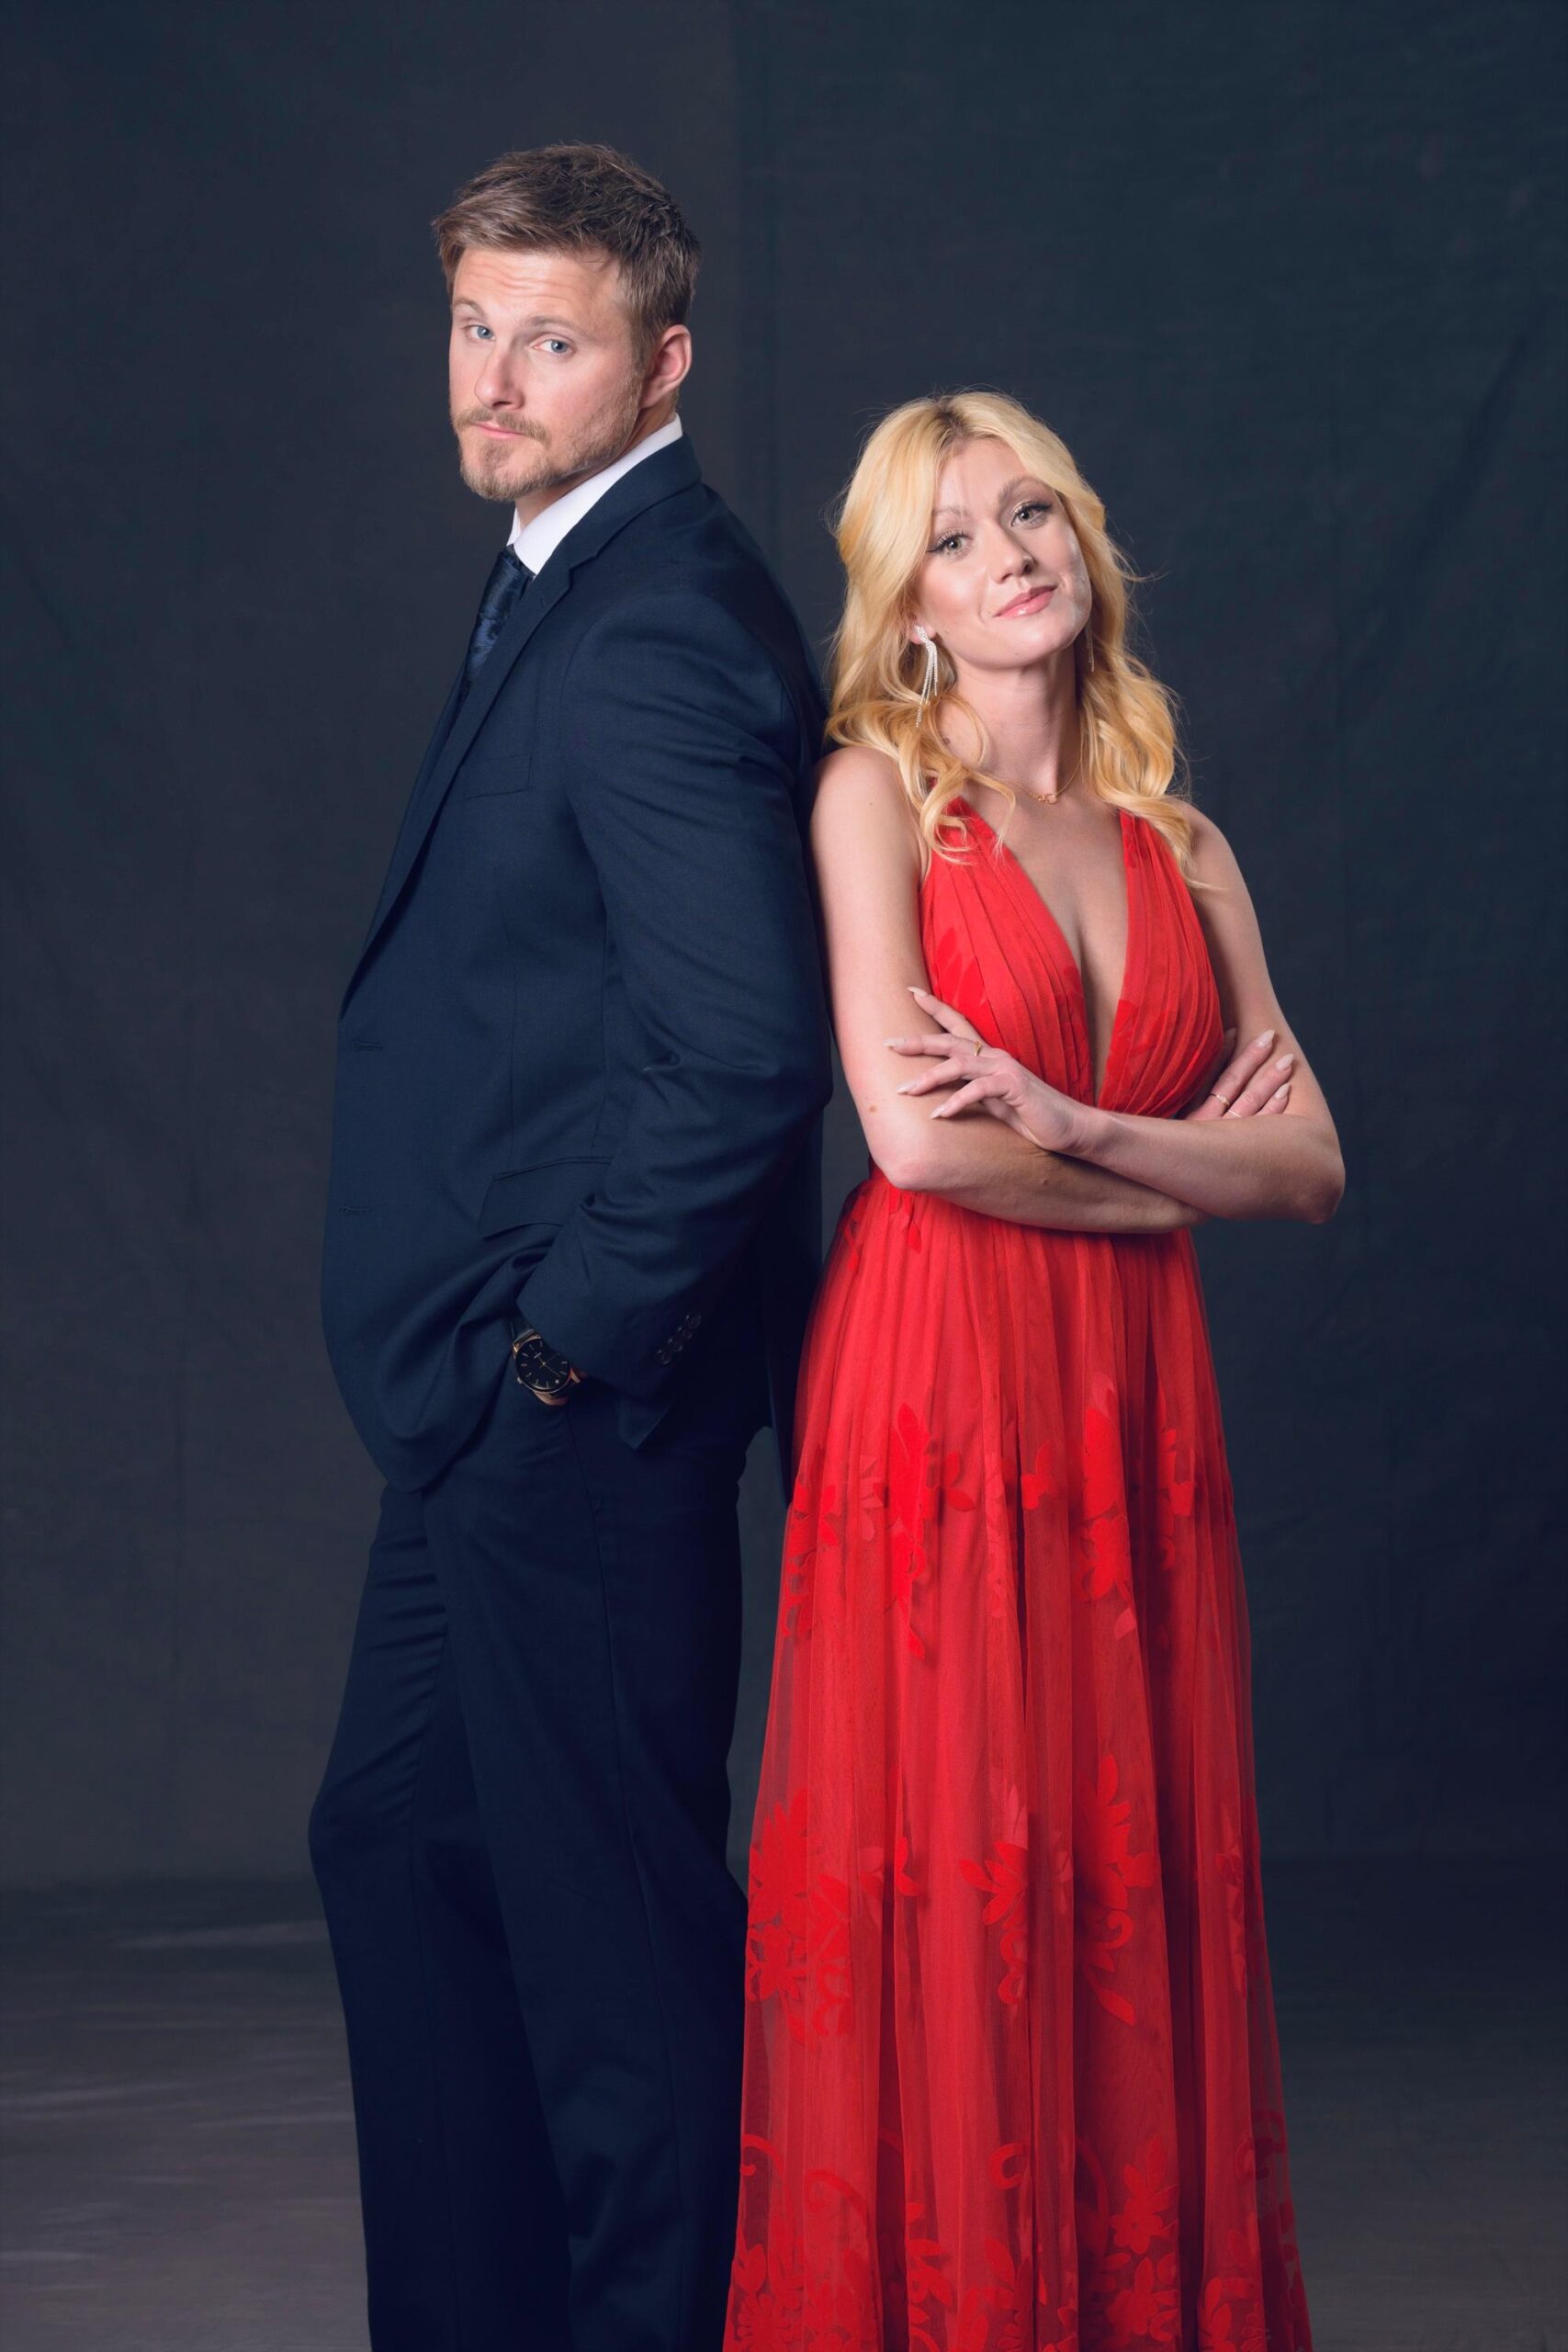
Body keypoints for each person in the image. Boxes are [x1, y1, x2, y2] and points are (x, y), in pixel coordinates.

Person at [725, 392, 1337, 2350]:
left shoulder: (1185, 841)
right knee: (957, 1841)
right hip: (940, 1367)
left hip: (1129, 1386)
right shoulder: (871, 802)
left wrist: (1080, 1125)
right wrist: (1174, 1178)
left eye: (1032, 514)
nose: (1009, 557)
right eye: (956, 536)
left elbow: (1308, 1163)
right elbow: (915, 1146)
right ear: (904, 602)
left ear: (1083, 540)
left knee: (1119, 1846)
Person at [309, 142, 832, 2352]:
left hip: (573, 1406)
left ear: (661, 361)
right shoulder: (558, 573)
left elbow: (746, 1049)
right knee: (396, 1844)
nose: (494, 379)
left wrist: (565, 1348)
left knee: (611, 1948)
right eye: (472, 327)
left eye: (550, 339)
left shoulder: (657, 623)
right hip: (481, 1402)